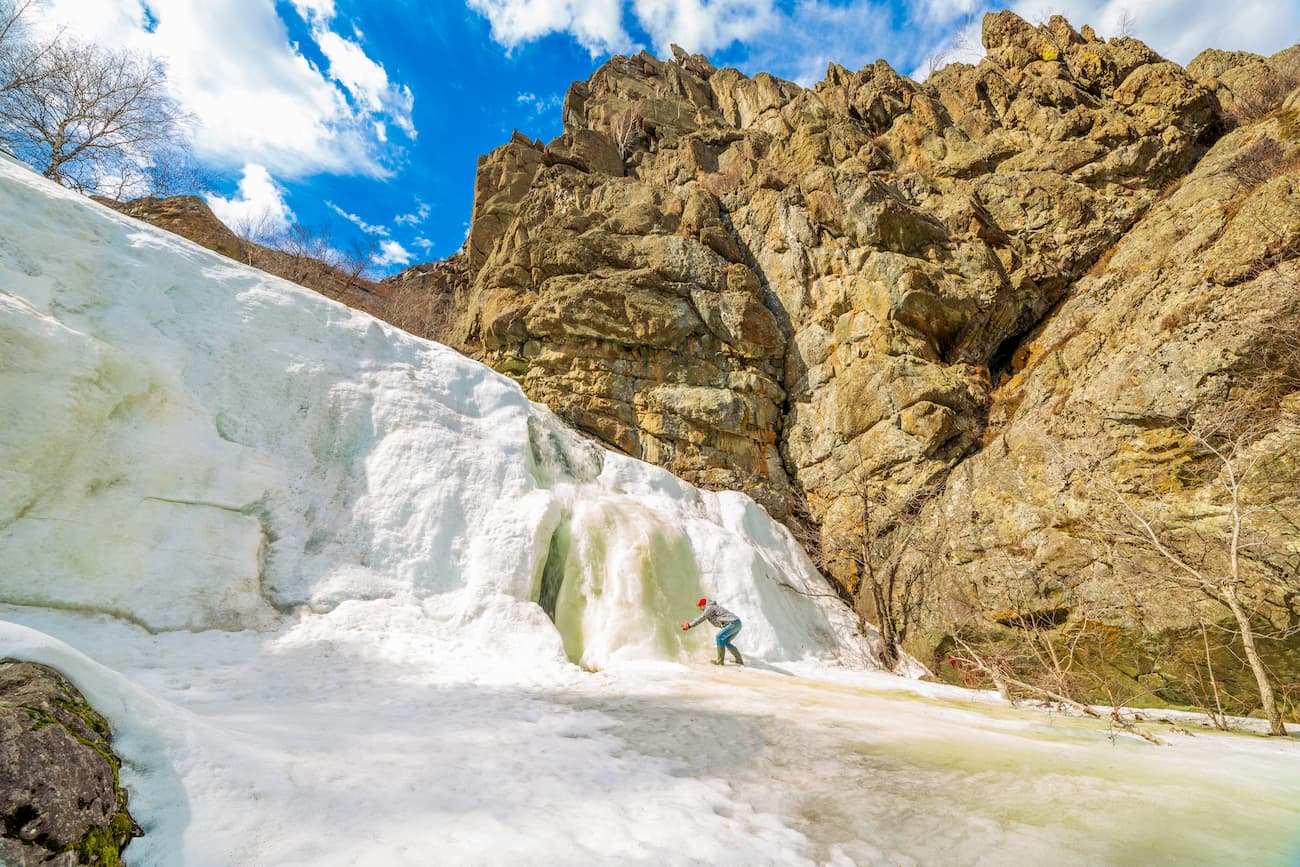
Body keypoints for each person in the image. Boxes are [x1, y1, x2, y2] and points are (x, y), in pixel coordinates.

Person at [680, 597, 743, 665]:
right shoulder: (713, 607)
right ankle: (739, 660)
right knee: (726, 641)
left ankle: (720, 661)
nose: (700, 608)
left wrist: (689, 625)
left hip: (733, 623)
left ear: (704, 605)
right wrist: (690, 623)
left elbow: (701, 618)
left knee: (719, 637)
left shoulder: (709, 608)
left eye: (700, 606)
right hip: (737, 623)